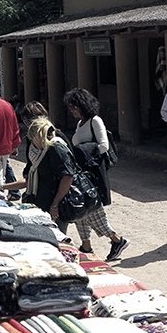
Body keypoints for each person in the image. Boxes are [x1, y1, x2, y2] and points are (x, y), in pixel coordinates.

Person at [63, 89, 129, 260]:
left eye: (74, 107)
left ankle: (116, 239)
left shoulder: (95, 121)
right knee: (80, 207)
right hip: (81, 173)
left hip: (93, 174)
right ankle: (86, 245)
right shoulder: (80, 124)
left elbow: (103, 146)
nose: (73, 111)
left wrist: (84, 152)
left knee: (93, 209)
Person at [3, 117, 74, 224]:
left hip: (54, 207)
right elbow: (28, 181)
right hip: (40, 203)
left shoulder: (56, 149)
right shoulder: (39, 153)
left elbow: (68, 177)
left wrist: (55, 203)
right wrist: (2, 186)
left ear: (37, 137)